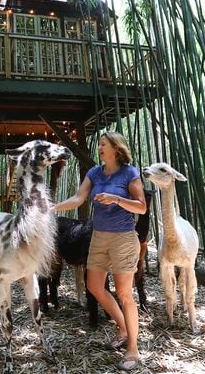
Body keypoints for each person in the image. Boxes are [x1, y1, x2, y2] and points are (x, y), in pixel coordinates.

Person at [51, 131, 146, 371]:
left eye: (104, 144)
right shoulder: (94, 172)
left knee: (124, 294)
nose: (100, 148)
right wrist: (53, 207)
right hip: (98, 237)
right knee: (94, 286)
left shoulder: (130, 173)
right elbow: (78, 198)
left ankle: (133, 348)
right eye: (100, 144)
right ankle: (124, 328)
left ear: (116, 148)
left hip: (123, 238)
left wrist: (116, 198)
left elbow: (142, 207)